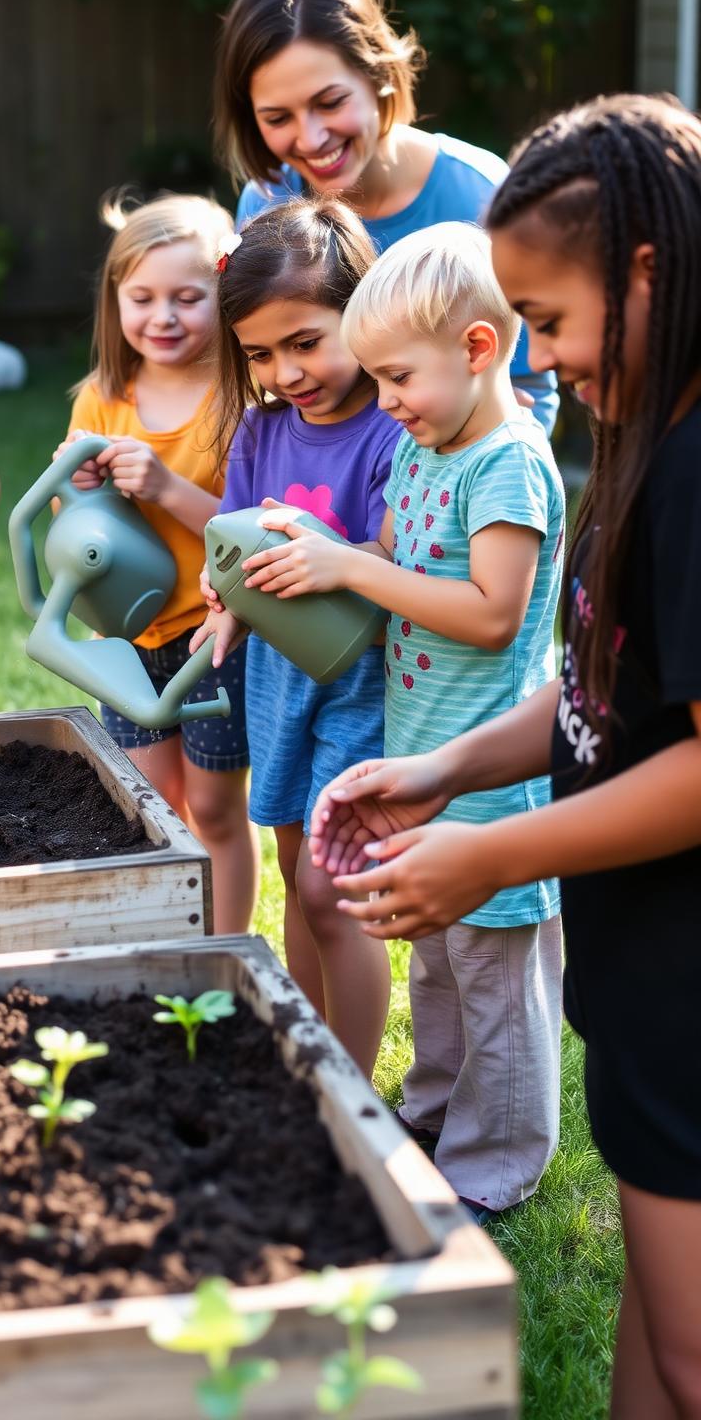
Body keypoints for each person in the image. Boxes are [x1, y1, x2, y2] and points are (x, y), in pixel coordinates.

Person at [311, 95, 701, 1416]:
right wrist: (444, 773)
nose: (536, 356)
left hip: (690, 988)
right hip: (647, 990)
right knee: (657, 1336)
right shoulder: (640, 439)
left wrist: (496, 852)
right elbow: (600, 695)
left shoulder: (697, 471)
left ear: (644, 274)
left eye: (545, 321)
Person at [263, 221, 565, 1216]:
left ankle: (498, 1162)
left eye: (398, 380)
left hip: (494, 775)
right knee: (437, 956)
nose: (383, 403)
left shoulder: (508, 465)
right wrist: (322, 543)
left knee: (493, 977)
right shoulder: (424, 447)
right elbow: (383, 552)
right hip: (420, 759)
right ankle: (435, 1108)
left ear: (479, 349)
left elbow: (492, 614)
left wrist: (357, 565)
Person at [189, 196, 397, 1076]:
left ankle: (349, 1082)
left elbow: (388, 560)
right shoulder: (261, 431)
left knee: (331, 886)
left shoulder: (394, 430)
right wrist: (223, 595)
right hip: (278, 680)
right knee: (293, 872)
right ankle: (310, 1053)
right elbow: (234, 542)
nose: (285, 371)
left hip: (359, 686)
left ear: (364, 309)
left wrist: (331, 557)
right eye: (261, 355)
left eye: (306, 342)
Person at [214, 0, 559, 435]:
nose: (311, 139)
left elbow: (528, 388)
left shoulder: (482, 195)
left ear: (377, 75)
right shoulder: (266, 202)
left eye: (330, 102)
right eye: (277, 118)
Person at [61, 194, 259, 933]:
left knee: (212, 805)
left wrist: (168, 488)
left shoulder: (242, 399)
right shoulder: (103, 399)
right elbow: (77, 539)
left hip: (217, 631)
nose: (163, 317)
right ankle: (162, 935)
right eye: (141, 298)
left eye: (187, 297)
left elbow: (251, 533)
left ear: (224, 296)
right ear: (114, 302)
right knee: (150, 796)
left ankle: (229, 943)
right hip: (131, 634)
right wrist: (75, 495)